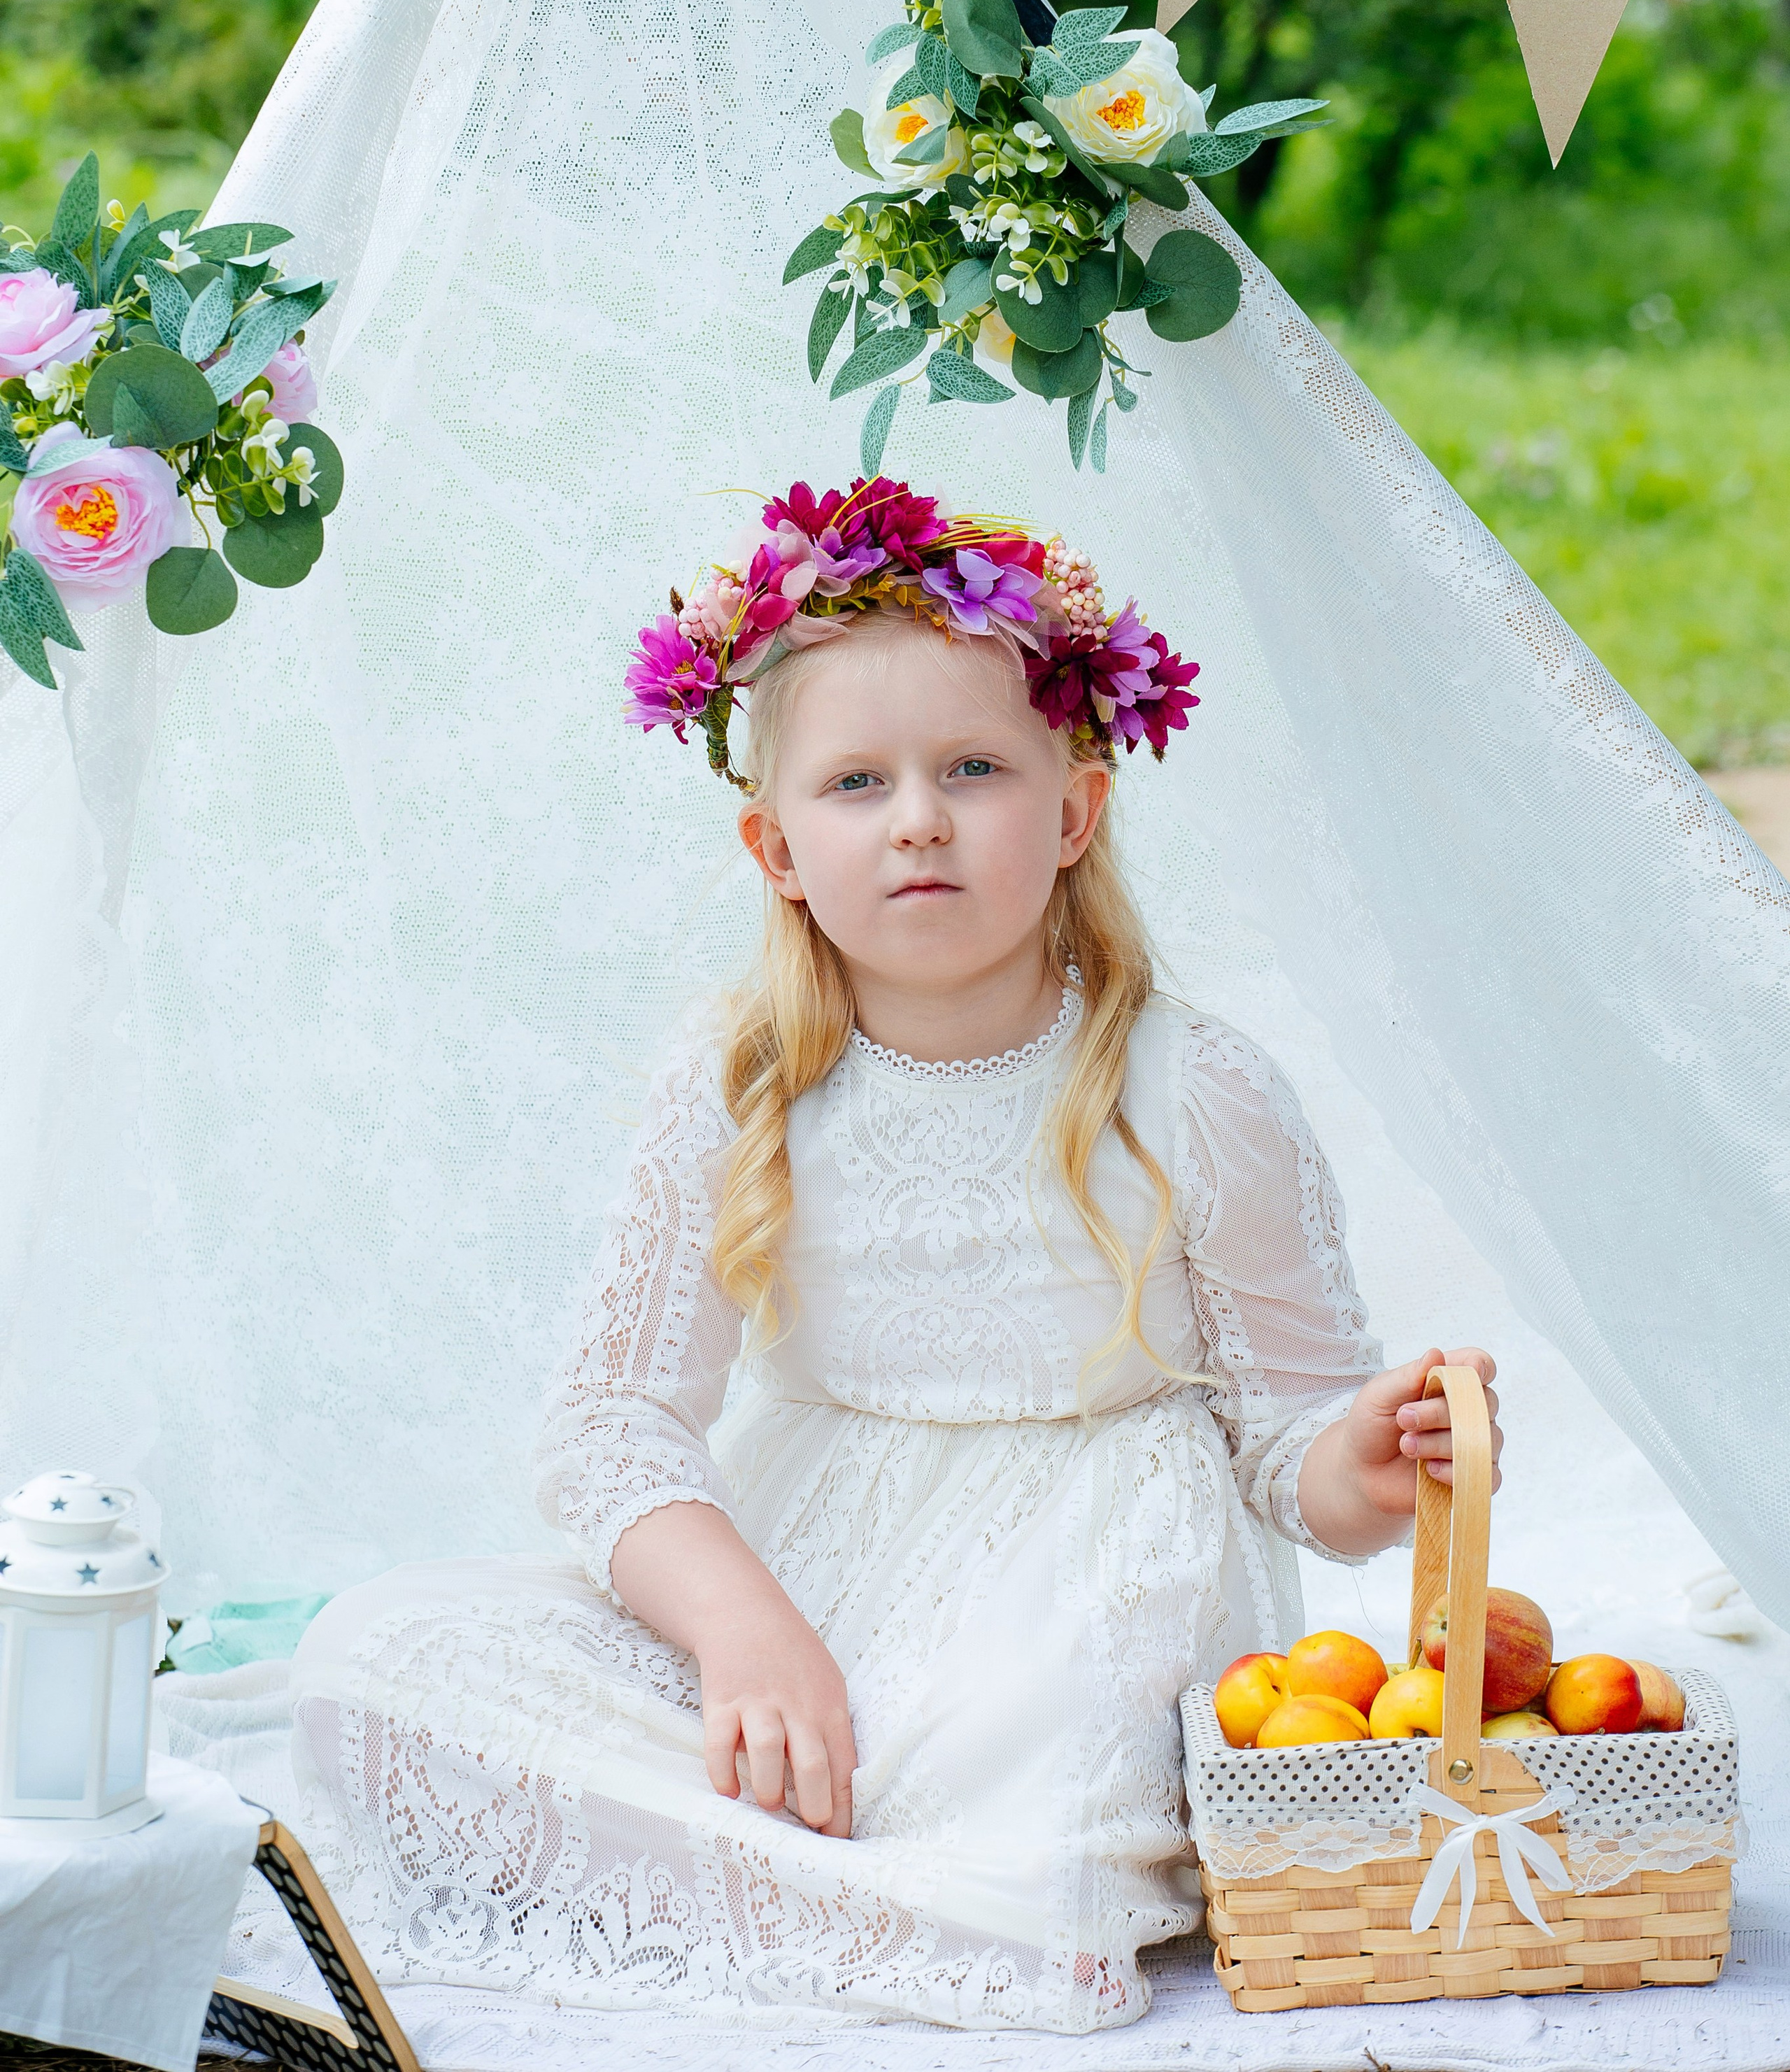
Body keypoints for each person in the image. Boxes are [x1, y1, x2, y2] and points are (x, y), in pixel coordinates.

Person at [290, 472, 1500, 2034]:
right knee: (373, 1663)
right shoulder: (738, 1086)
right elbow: (609, 1428)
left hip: (1072, 1601)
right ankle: (880, 1888)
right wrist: (742, 1629)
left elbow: (1288, 1452)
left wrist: (1362, 1459)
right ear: (776, 849)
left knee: (1043, 1763)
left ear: (1071, 814)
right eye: (854, 781)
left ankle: (958, 1902)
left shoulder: (1193, 1091)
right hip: (804, 1582)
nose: (917, 817)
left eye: (974, 769)